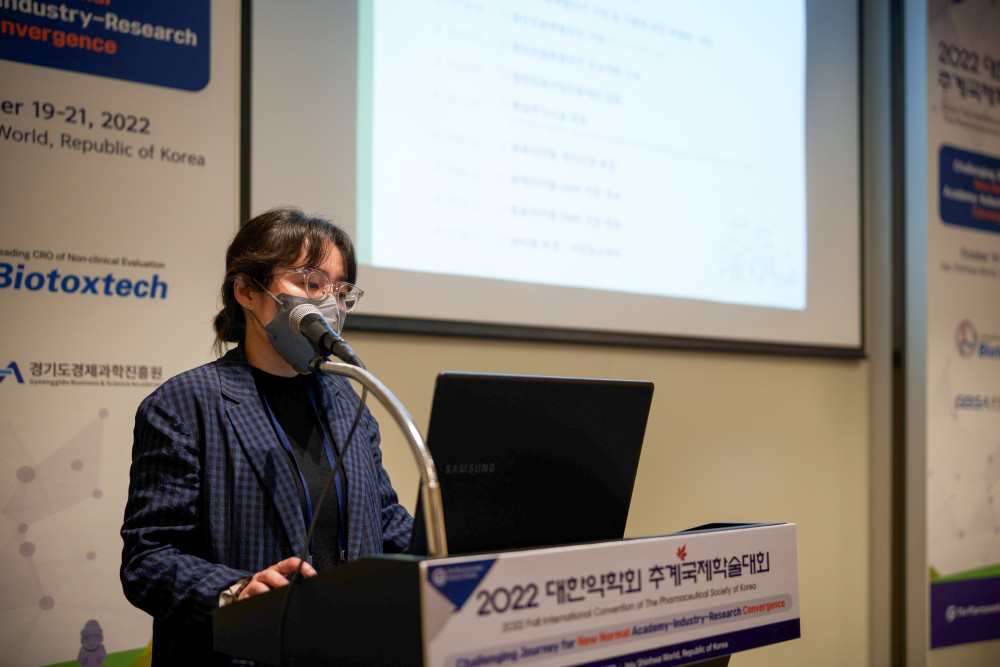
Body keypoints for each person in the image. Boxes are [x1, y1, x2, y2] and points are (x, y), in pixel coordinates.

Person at [120, 207, 412, 665]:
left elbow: (385, 520)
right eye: (311, 284)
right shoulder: (184, 404)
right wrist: (237, 591)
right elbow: (148, 559)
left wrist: (461, 550)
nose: (329, 303)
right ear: (247, 292)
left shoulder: (346, 399)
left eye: (341, 291)